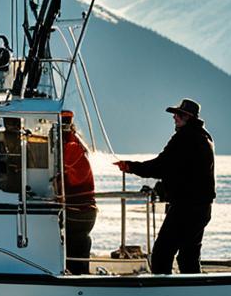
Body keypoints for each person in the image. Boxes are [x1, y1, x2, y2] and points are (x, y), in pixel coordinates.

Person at [114, 98, 215, 274]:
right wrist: (163, 187)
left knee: (162, 253)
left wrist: (131, 166)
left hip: (186, 207)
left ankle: (161, 293)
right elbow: (185, 171)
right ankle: (194, 294)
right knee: (188, 256)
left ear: (188, 116)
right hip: (202, 208)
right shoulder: (204, 136)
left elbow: (161, 166)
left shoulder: (186, 137)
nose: (174, 117)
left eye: (178, 114)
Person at [58, 111, 97, 274]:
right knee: (78, 244)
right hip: (85, 209)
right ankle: (80, 275)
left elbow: (62, 169)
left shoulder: (70, 147)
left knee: (74, 245)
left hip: (77, 209)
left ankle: (78, 279)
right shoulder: (76, 143)